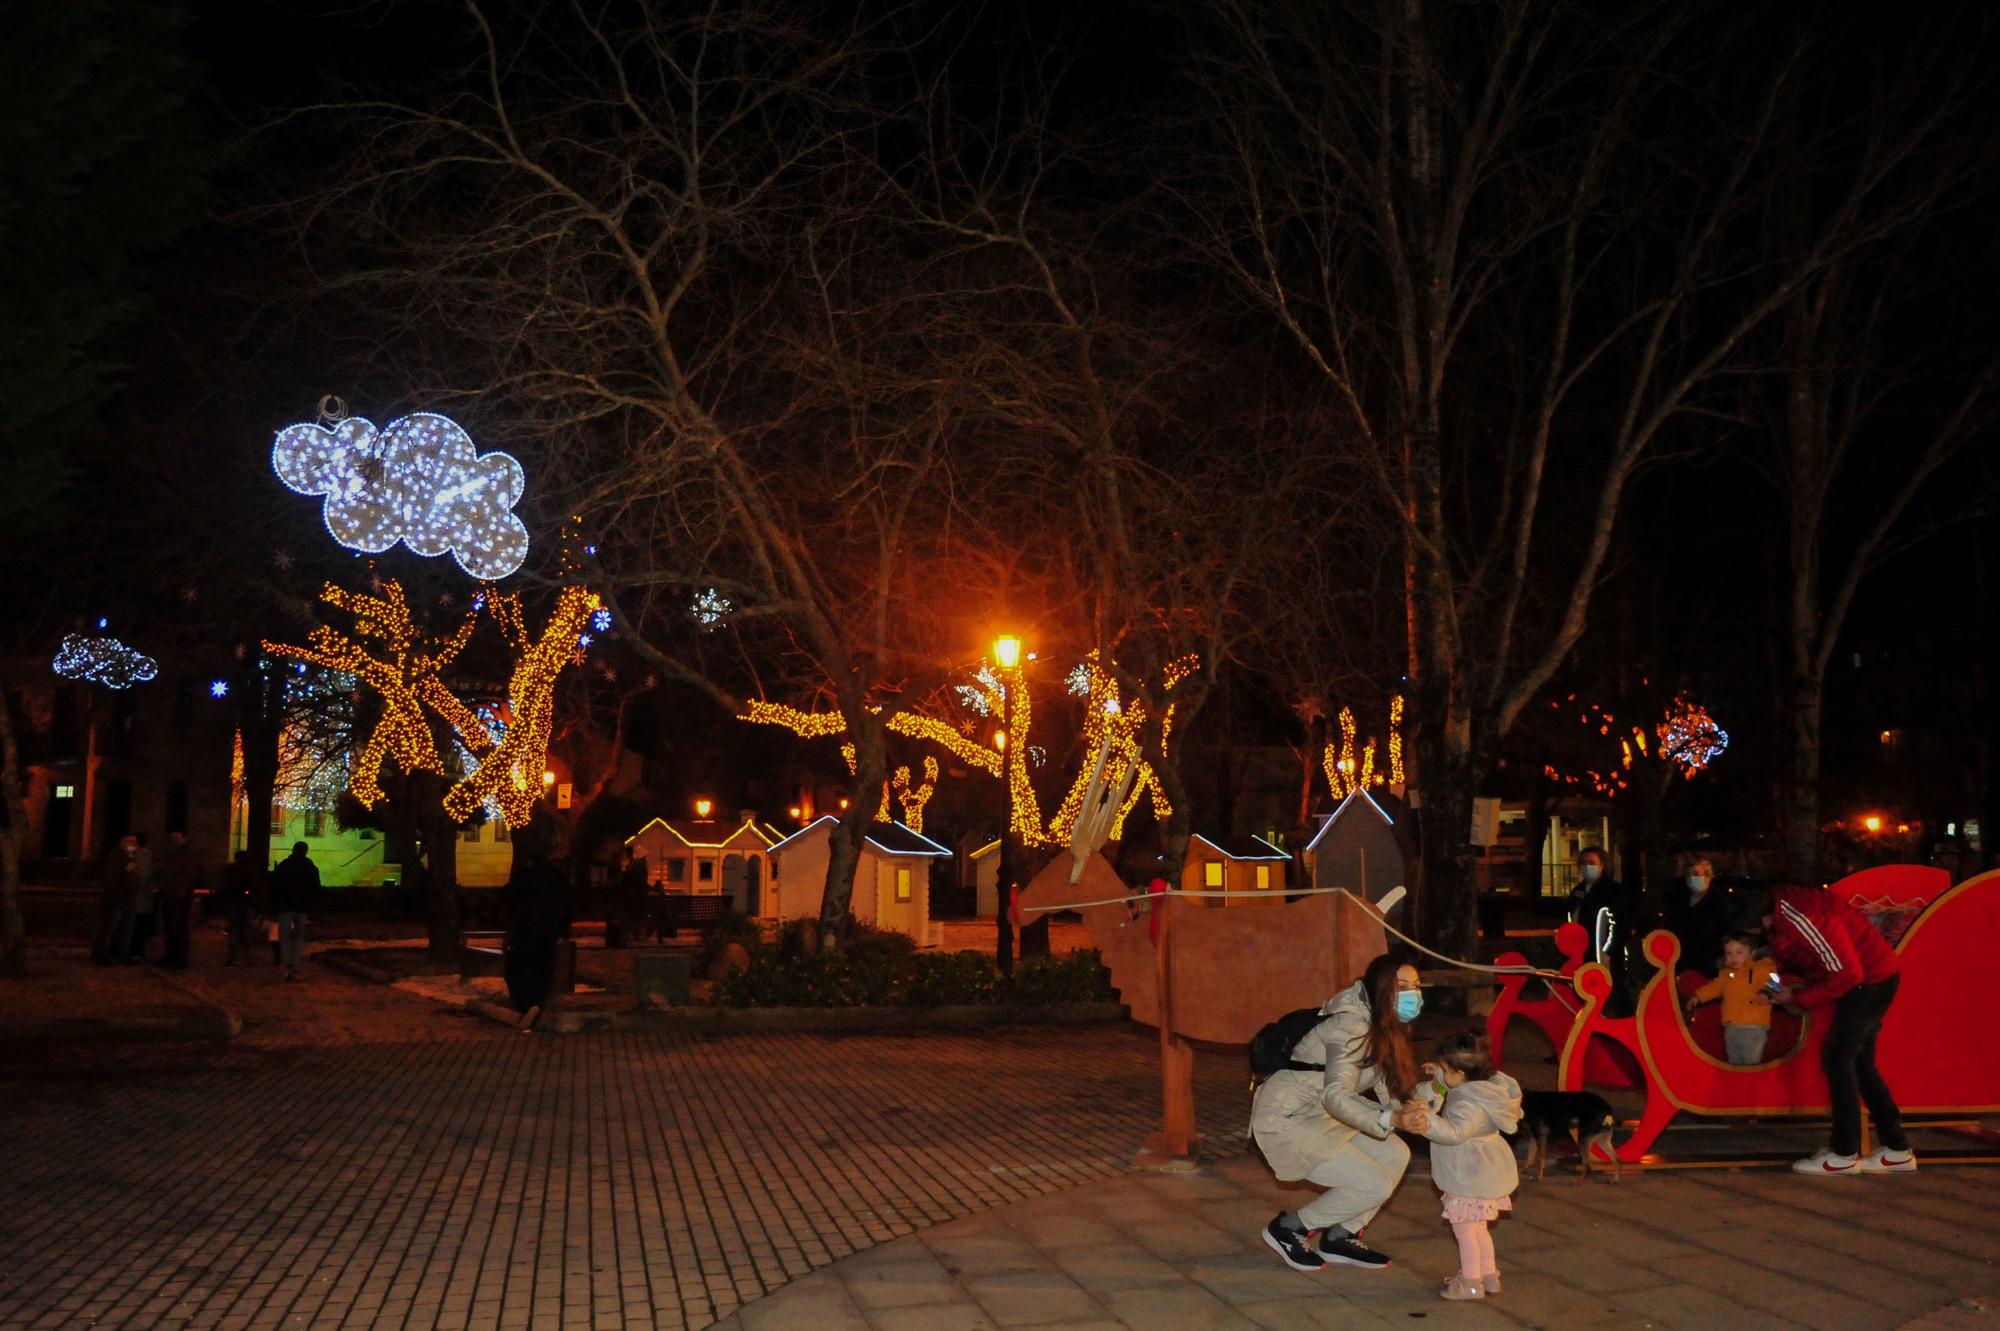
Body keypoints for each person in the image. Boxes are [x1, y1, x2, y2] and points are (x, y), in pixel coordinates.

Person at [1251, 952, 1430, 1273]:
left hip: (1321, 1114)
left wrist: (1426, 1099)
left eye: (1416, 986)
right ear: (1381, 988)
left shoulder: (1384, 1024)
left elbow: (1387, 1089)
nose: (1412, 995)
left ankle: (1340, 1235)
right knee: (1373, 1183)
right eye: (1401, 986)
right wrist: (1392, 1119)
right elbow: (1337, 1095)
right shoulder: (1351, 1025)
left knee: (1396, 1154)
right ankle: (1290, 1229)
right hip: (1287, 1119)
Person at [1749, 885, 1916, 1175]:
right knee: (1860, 1064)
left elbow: (1849, 973)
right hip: (1871, 979)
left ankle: (1844, 1153)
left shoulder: (1800, 916)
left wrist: (1798, 999)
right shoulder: (1782, 917)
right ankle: (1896, 1148)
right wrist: (1783, 984)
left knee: (1838, 1059)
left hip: (1869, 983)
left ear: (1763, 919)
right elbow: (1800, 960)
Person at [1417, 1031, 1522, 1301]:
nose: (1442, 1074)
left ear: (1459, 1073)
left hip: (1468, 1171)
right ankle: (1489, 1276)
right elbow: (1452, 1083)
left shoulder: (1467, 1102)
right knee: (1478, 1228)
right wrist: (1440, 1075)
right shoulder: (1487, 1088)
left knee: (1464, 1231)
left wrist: (1427, 1121)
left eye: (1445, 1070)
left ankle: (1470, 1282)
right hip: (1486, 1167)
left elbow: (1455, 1132)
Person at [503, 825, 572, 1030]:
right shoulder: (556, 877)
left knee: (519, 969)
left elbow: (510, 900)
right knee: (542, 970)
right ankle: (536, 1004)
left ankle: (527, 1005)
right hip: (547, 932)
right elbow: (566, 904)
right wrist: (562, 930)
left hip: (525, 930)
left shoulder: (525, 875)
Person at [1683, 932, 1776, 1065]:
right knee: (1734, 1065)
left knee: (1750, 1065)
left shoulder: (1763, 968)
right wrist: (1698, 996)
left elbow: (1776, 984)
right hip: (1731, 1027)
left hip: (1753, 1027)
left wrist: (1766, 993)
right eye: (1729, 953)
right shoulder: (1726, 974)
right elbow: (1714, 987)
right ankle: (1738, 1084)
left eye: (1739, 952)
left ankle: (1749, 1085)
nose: (1733, 957)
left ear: (1752, 952)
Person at [1567, 847, 1636, 1015]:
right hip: (1582, 955)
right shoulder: (1578, 891)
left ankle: (1627, 1029)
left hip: (1607, 956)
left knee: (1615, 994)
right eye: (1583, 863)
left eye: (1592, 862)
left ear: (1602, 865)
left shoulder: (1613, 891)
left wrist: (1608, 951)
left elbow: (1621, 925)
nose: (1587, 866)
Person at [1665, 856, 1733, 972]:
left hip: (1708, 964)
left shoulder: (1719, 901)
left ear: (1708, 876)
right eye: (1689, 875)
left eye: (1697, 874)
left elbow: (1725, 931)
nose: (1692, 878)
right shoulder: (1680, 899)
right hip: (1681, 962)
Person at [268, 841, 319, 981]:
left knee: (284, 937)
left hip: (285, 907)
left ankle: (286, 965)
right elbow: (315, 888)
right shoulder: (310, 868)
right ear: (306, 851)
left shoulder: (284, 866)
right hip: (301, 908)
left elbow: (275, 887)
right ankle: (295, 966)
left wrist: (274, 905)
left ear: (293, 850)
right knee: (298, 937)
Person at [95, 833, 141, 966]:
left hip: (129, 899)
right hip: (118, 899)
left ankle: (123, 954)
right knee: (109, 928)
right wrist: (116, 896)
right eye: (129, 841)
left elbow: (133, 875)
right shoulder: (115, 857)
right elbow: (112, 879)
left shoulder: (130, 857)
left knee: (126, 928)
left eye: (134, 842)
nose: (132, 844)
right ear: (122, 842)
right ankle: (102, 955)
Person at [155, 831, 199, 970]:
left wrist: (179, 890)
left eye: (177, 838)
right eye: (173, 838)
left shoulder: (184, 856)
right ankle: (172, 956)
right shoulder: (174, 854)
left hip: (178, 896)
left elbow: (182, 875)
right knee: (172, 927)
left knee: (177, 927)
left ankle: (178, 958)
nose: (174, 840)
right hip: (172, 895)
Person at [215, 850, 257, 966]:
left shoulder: (230, 869)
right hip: (248, 903)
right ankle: (246, 956)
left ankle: (233, 957)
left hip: (233, 902)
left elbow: (224, 885)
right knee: (246, 930)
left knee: (234, 930)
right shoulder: (251, 870)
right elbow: (256, 886)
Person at [127, 832, 158, 961]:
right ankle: (135, 951)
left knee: (137, 926)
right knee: (137, 925)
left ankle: (136, 952)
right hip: (140, 898)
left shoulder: (142, 855)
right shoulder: (140, 854)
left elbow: (142, 876)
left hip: (140, 898)